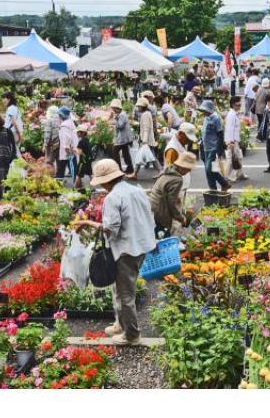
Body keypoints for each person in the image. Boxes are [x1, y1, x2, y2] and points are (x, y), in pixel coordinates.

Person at [76, 159, 156, 346]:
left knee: (125, 293)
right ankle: (121, 322)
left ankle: (132, 334)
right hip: (141, 245)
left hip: (126, 250)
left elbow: (111, 228)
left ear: (105, 181)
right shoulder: (136, 190)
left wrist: (88, 223)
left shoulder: (112, 198)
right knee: (120, 288)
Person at [149, 151, 196, 237]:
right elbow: (171, 203)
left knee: (156, 234)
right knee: (163, 237)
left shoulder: (168, 170)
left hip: (153, 207)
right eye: (188, 168)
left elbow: (166, 190)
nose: (189, 171)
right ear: (181, 166)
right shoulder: (178, 179)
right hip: (161, 210)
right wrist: (181, 218)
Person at [199, 100, 230, 191]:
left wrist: (219, 150)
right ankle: (213, 190)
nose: (203, 112)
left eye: (205, 110)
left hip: (213, 148)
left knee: (210, 169)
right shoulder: (206, 117)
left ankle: (224, 183)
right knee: (207, 171)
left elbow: (220, 134)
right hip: (205, 147)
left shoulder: (216, 118)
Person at [127, 98, 161, 180]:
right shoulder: (147, 113)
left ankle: (161, 171)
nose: (138, 108)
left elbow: (146, 128)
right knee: (148, 156)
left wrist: (144, 141)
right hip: (148, 140)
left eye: (139, 106)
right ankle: (135, 173)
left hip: (147, 141)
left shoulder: (145, 115)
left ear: (143, 107)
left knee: (151, 157)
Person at [224, 96, 248, 182]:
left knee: (238, 157)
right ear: (233, 105)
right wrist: (231, 142)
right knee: (232, 158)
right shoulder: (232, 115)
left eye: (240, 104)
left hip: (233, 140)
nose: (240, 106)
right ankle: (229, 176)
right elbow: (230, 129)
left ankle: (239, 174)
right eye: (238, 104)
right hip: (232, 140)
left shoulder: (233, 114)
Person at [109, 99, 134, 174]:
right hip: (124, 138)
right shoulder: (121, 114)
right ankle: (130, 168)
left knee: (115, 152)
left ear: (116, 108)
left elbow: (120, 125)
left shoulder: (122, 115)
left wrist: (114, 119)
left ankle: (119, 169)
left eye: (113, 108)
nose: (113, 110)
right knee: (125, 153)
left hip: (123, 139)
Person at [56, 106, 78, 180]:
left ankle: (76, 185)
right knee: (64, 169)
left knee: (69, 169)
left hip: (67, 151)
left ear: (61, 115)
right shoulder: (71, 122)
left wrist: (68, 150)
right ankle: (76, 184)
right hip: (71, 150)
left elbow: (66, 139)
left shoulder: (64, 126)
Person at [42, 105, 61, 175]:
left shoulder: (49, 120)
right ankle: (59, 176)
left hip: (51, 144)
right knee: (58, 160)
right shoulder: (60, 119)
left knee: (49, 161)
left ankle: (50, 175)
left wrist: (45, 144)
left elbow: (47, 134)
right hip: (59, 143)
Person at [74, 125, 93, 190]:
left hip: (83, 161)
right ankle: (92, 186)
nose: (77, 133)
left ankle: (75, 188)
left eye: (78, 132)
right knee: (90, 174)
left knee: (78, 174)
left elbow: (79, 152)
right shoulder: (87, 140)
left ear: (82, 133)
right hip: (88, 160)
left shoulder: (81, 142)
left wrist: (74, 150)